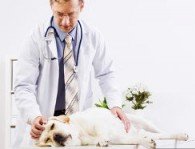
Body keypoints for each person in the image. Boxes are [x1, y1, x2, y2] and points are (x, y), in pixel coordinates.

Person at [13, 0, 130, 147]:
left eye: (71, 14)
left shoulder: (93, 36)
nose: (65, 22)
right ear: (51, 6)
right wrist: (33, 115)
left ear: (81, 6)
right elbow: (23, 85)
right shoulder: (36, 37)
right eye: (59, 14)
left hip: (79, 126)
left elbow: (106, 73)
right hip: (45, 125)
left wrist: (115, 104)